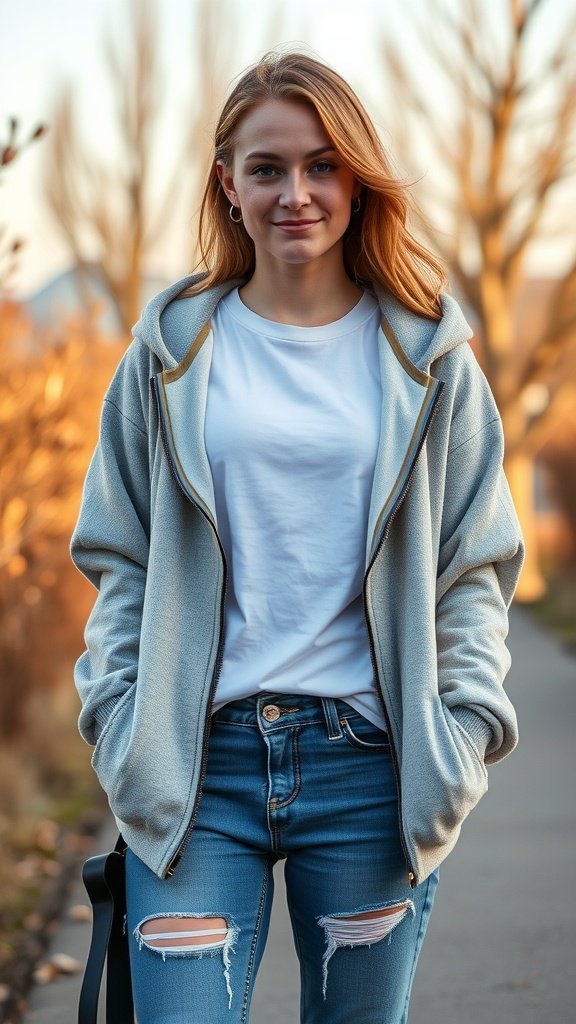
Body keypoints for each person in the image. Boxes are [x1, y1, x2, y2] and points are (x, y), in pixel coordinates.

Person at [71, 50, 524, 1024]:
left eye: (323, 165)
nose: (297, 193)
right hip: (201, 774)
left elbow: (474, 564)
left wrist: (463, 729)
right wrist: (121, 727)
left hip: (372, 764)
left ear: (357, 179)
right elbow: (118, 556)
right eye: (267, 168)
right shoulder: (168, 355)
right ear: (227, 184)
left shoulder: (428, 356)